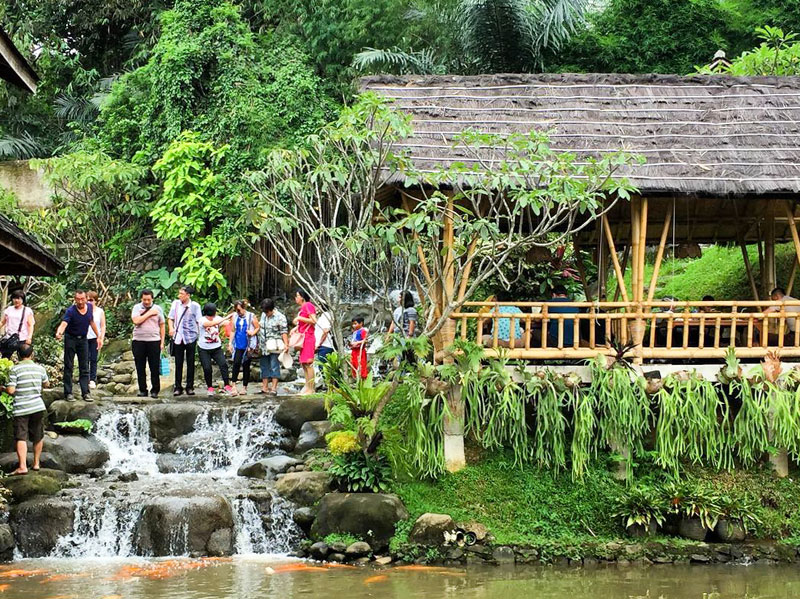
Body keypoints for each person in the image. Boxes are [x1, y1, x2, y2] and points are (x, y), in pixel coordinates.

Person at [4, 344, 48, 475]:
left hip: (21, 408)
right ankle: (36, 463)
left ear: (17, 355)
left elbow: (11, 390)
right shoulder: (40, 369)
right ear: (32, 354)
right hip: (37, 406)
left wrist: (2, 388)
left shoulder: (15, 369)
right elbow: (46, 383)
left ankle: (22, 466)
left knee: (21, 437)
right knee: (38, 435)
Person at [55, 290, 102, 402]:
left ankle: (86, 393)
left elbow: (91, 322)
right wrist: (59, 332)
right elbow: (64, 323)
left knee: (84, 367)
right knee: (69, 366)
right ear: (75, 300)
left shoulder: (90, 307)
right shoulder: (71, 311)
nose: (80, 302)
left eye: (82, 299)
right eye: (78, 299)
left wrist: (98, 336)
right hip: (71, 339)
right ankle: (68, 393)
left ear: (86, 298)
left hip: (83, 339)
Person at [130, 289, 166, 398]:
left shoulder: (158, 309)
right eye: (144, 299)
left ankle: (155, 390)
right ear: (141, 299)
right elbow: (136, 321)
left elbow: (162, 325)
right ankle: (142, 390)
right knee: (140, 367)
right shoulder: (137, 308)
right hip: (138, 341)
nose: (146, 302)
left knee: (154, 367)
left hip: (154, 341)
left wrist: (162, 341)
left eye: (148, 299)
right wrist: (150, 313)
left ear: (152, 299)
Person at [168, 285, 202, 397]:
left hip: (191, 337)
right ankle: (178, 387)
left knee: (190, 362)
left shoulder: (195, 306)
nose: (179, 296)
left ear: (188, 295)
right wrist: (171, 328)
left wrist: (199, 335)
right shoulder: (175, 304)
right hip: (178, 337)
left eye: (181, 294)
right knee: (178, 362)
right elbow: (170, 318)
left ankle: (190, 387)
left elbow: (199, 321)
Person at [198, 303, 234, 397]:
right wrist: (225, 318)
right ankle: (210, 387)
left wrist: (232, 317)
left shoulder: (218, 318)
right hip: (204, 348)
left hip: (216, 348)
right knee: (207, 368)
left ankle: (227, 385)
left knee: (223, 365)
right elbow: (210, 324)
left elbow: (227, 323)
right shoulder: (202, 320)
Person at [258, 298, 289, 396]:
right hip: (263, 344)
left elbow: (284, 331)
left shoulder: (280, 317)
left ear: (272, 309)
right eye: (265, 312)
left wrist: (286, 345)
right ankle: (265, 387)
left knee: (274, 365)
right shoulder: (263, 315)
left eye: (267, 312)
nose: (266, 313)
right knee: (263, 366)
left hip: (275, 345)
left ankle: (274, 387)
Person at [229, 300, 260, 396]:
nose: (238, 312)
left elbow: (257, 327)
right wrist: (230, 343)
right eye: (236, 310)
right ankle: (233, 385)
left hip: (248, 344)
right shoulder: (234, 316)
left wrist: (252, 333)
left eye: (239, 310)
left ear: (243, 307)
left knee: (246, 365)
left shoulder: (251, 316)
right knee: (236, 363)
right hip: (238, 343)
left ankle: (244, 387)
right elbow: (233, 330)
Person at [293, 290, 317, 395]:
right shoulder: (303, 307)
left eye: (297, 296)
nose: (296, 298)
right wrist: (295, 328)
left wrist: (299, 318)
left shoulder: (308, 305)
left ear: (302, 297)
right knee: (304, 364)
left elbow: (314, 320)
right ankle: (307, 386)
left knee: (308, 363)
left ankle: (311, 388)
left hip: (308, 338)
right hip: (304, 337)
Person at [0, 290, 35, 359]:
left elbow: (31, 325)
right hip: (9, 338)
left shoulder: (27, 310)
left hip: (22, 338)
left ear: (22, 300)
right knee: (5, 357)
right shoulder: (9, 310)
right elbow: (2, 322)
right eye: (14, 298)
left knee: (23, 357)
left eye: (19, 298)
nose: (16, 300)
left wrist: (29, 337)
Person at [387, 291, 418, 363]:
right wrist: (389, 335)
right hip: (397, 337)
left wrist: (410, 336)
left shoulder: (411, 310)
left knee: (408, 355)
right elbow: (393, 323)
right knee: (399, 355)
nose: (399, 299)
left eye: (400, 297)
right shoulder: (397, 310)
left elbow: (412, 322)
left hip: (406, 335)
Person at [86, 291, 106, 390]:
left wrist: (101, 337)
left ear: (96, 301)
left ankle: (92, 379)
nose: (89, 302)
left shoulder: (100, 311)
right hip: (84, 337)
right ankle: (85, 378)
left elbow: (102, 325)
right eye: (88, 300)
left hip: (95, 337)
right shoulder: (82, 310)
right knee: (84, 358)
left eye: (91, 300)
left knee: (93, 359)